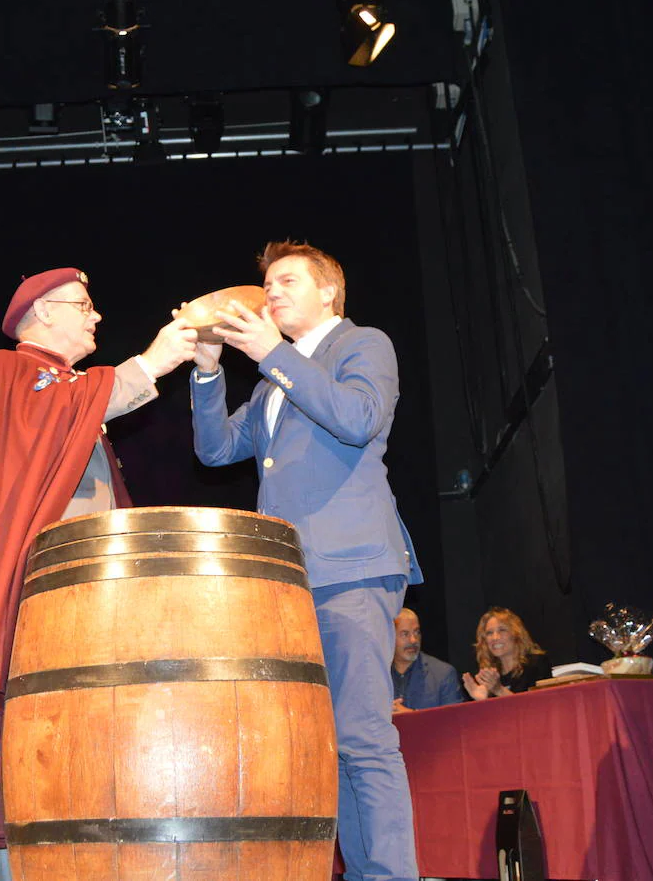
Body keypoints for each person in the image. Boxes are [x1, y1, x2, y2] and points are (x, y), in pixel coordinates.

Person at [0, 267, 197, 873]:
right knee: (2, 753)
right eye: (85, 304)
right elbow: (53, 421)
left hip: (75, 598)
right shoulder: (8, 371)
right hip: (32, 596)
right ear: (44, 312)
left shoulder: (64, 391)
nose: (96, 316)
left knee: (55, 756)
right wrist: (150, 362)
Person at [190, 240, 422, 881]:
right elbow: (216, 451)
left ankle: (391, 875)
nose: (272, 292)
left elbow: (357, 418)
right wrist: (209, 370)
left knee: (364, 737)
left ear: (329, 293)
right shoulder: (274, 379)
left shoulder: (362, 344)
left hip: (351, 567)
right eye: (267, 284)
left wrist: (271, 353)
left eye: (287, 280)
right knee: (329, 745)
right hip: (291, 583)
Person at [461, 607, 550, 699]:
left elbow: (537, 708)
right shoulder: (486, 677)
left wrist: (499, 690)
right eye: (489, 633)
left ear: (516, 634)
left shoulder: (536, 665)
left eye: (502, 630)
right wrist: (482, 700)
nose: (495, 637)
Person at [391, 608, 464, 713]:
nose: (413, 640)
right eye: (405, 634)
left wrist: (411, 716)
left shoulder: (443, 674)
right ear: (390, 637)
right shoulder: (376, 676)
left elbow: (455, 723)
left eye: (417, 632)